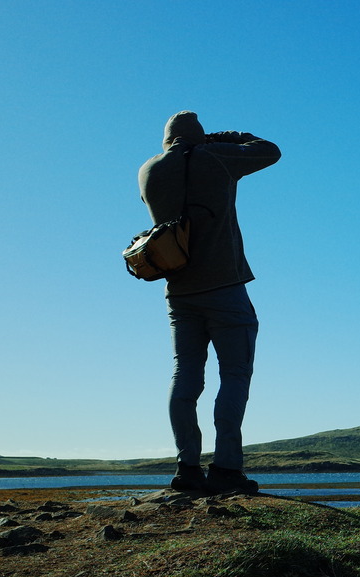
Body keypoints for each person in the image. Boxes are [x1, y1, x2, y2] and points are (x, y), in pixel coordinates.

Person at [137, 111, 281, 494]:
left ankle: (187, 468)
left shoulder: (148, 170)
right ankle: (226, 469)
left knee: (185, 377)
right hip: (225, 287)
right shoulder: (214, 156)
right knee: (234, 377)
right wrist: (226, 137)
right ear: (198, 136)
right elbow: (270, 151)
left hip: (179, 293)